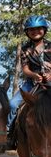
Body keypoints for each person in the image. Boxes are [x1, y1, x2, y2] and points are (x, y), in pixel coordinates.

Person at [7, 15, 51, 148]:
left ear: (44, 30)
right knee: (13, 104)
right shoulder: (26, 49)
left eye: (38, 29)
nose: (35, 31)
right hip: (31, 83)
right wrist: (34, 75)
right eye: (31, 29)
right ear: (27, 32)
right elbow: (25, 69)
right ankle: (10, 134)